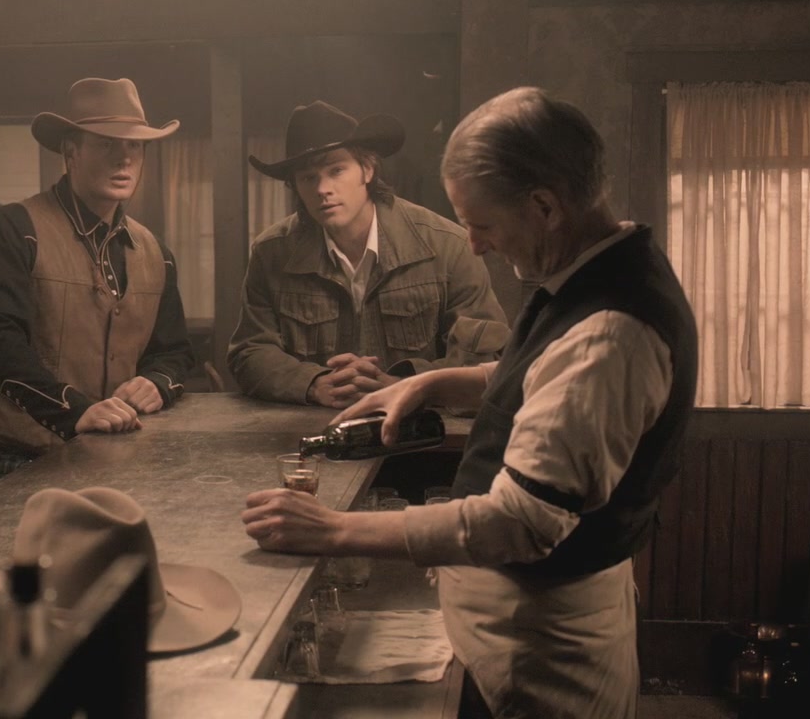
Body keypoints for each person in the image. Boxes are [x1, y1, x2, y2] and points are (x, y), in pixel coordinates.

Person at [241, 87, 698, 718]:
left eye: (482, 225)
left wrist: (336, 530)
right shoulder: (597, 271)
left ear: (544, 206)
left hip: (541, 655)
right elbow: (549, 376)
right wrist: (433, 382)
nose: (476, 245)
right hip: (515, 632)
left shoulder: (608, 334)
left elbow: (521, 521)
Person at [0, 77, 195, 486]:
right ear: (71, 152)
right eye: (107, 144)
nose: (124, 159)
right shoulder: (13, 229)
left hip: (123, 456)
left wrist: (157, 383)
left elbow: (174, 351)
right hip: (24, 459)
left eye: (134, 146)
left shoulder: (156, 252)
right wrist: (73, 410)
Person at [227, 100, 509, 408]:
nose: (322, 188)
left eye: (336, 170)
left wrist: (404, 386)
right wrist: (313, 384)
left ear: (368, 170)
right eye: (308, 177)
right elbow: (251, 351)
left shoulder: (448, 245)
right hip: (310, 428)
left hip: (417, 428)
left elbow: (486, 356)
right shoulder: (271, 252)